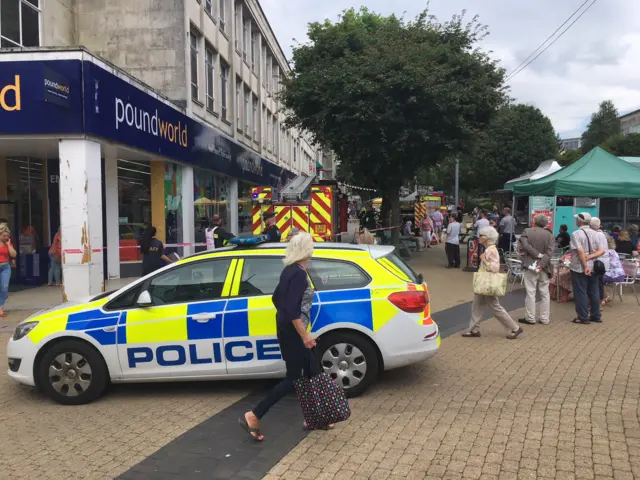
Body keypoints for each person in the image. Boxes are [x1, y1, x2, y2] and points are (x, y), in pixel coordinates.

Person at [239, 232, 332, 441]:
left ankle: (314, 418)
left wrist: (287, 321)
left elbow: (276, 298)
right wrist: (304, 334)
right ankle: (254, 415)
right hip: (294, 332)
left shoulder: (290, 270)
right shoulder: (298, 274)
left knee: (312, 371)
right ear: (307, 250)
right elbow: (291, 309)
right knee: (294, 378)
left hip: (288, 329)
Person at [462, 226, 523, 339]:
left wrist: (484, 260)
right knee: (477, 305)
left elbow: (494, 268)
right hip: (484, 283)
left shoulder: (491, 250)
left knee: (494, 307)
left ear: (488, 238)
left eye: (482, 236)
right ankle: (473, 329)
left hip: (487, 283)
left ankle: (514, 328)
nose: (479, 237)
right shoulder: (489, 249)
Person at [518, 214, 554, 325]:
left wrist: (537, 255)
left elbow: (524, 245)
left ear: (534, 221)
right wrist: (542, 262)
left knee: (530, 292)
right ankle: (544, 318)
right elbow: (550, 252)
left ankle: (530, 317)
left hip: (530, 265)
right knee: (545, 293)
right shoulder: (550, 235)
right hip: (545, 267)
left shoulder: (527, 231)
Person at [570, 213, 606, 325]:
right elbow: (602, 250)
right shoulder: (596, 233)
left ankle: (583, 316)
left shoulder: (576, 234)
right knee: (594, 291)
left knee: (581, 292)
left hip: (579, 267)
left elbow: (580, 251)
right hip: (594, 266)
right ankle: (596, 315)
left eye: (577, 219)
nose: (576, 221)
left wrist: (585, 265)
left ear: (580, 221)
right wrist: (590, 257)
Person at [590, 218, 610, 306]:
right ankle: (601, 300)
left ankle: (599, 301)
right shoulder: (602, 234)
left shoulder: (596, 235)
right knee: (600, 282)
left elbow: (597, 249)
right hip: (603, 261)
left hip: (599, 261)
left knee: (597, 283)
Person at [601, 234, 625, 305]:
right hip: (619, 274)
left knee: (596, 279)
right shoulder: (612, 251)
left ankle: (602, 298)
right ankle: (605, 296)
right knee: (597, 278)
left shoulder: (607, 252)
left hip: (614, 275)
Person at [0, 226, 17, 317]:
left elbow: (14, 254)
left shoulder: (8, 244)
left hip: (5, 267)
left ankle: (0, 308)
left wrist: (9, 245)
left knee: (4, 288)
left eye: (7, 236)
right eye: (4, 236)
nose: (6, 237)